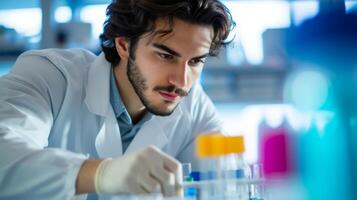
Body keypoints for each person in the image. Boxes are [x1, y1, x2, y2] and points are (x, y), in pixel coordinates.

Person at [0, 0, 234, 199]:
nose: (182, 82)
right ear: (124, 45)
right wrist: (102, 174)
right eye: (165, 55)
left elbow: (225, 185)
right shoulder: (49, 75)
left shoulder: (195, 107)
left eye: (195, 61)